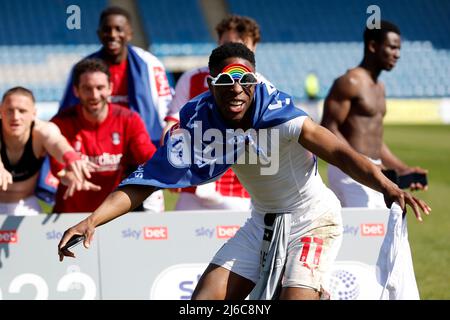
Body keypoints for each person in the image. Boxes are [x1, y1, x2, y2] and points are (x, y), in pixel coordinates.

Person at [58, 43, 430, 300]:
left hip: (313, 220)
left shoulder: (281, 115)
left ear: (256, 81)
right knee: (205, 299)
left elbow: (341, 153)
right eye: (225, 82)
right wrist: (93, 220)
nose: (237, 90)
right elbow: (147, 180)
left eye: (245, 81)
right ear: (210, 84)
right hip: (261, 222)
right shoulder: (198, 122)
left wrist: (385, 185)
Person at [58, 6, 170, 212]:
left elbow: (165, 110)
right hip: (102, 155)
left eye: (119, 29)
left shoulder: (149, 64)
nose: (113, 35)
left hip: (141, 152)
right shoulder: (84, 68)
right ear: (99, 33)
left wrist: (163, 160)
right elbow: (66, 113)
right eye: (107, 30)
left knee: (149, 220)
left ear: (129, 33)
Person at [321, 20, 428, 208]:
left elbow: (375, 144)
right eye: (392, 48)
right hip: (349, 170)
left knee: (387, 225)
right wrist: (361, 163)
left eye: (399, 49)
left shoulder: (380, 87)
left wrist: (403, 169)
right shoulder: (350, 82)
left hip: (373, 170)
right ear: (372, 46)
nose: (398, 55)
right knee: (364, 231)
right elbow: (329, 128)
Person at [164, 15, 267, 211]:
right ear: (218, 43)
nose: (234, 51)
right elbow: (172, 126)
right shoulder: (192, 78)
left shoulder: (262, 86)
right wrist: (174, 164)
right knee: (180, 240)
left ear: (254, 48)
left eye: (242, 45)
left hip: (240, 191)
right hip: (193, 187)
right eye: (227, 43)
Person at [50, 58, 156, 213]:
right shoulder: (61, 122)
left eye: (100, 87)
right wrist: (67, 175)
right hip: (71, 216)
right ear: (76, 90)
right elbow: (57, 164)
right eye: (87, 88)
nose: (94, 95)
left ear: (110, 88)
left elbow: (146, 154)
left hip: (114, 215)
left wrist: (166, 168)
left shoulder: (129, 120)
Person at [0, 87, 95, 215]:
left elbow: (56, 142)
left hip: (25, 204)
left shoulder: (42, 131)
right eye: (10, 110)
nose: (16, 117)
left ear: (34, 113)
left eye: (22, 111)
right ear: (1, 111)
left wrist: (71, 157)